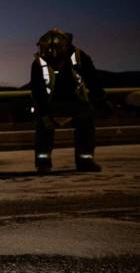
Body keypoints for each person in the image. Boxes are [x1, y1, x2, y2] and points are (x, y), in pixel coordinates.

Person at [30, 28, 104, 174]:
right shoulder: (38, 63)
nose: (52, 53)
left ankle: (85, 160)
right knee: (43, 127)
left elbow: (93, 80)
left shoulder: (80, 57)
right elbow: (38, 92)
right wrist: (45, 114)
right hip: (50, 104)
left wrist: (100, 98)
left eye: (55, 49)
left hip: (76, 103)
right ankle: (43, 163)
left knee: (86, 121)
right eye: (48, 49)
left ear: (65, 47)